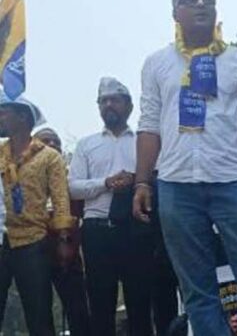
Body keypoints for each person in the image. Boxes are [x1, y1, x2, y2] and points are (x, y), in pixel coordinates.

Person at [132, 0, 237, 335]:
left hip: (233, 181)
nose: (201, 5)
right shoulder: (156, 64)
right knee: (197, 291)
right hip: (175, 185)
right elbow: (150, 124)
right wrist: (141, 182)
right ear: (175, 12)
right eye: (190, 0)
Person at [70, 77, 156, 335]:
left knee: (140, 301)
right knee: (100, 303)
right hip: (97, 229)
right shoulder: (86, 144)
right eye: (103, 101)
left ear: (129, 106)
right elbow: (72, 187)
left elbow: (159, 176)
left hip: (136, 228)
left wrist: (136, 180)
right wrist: (106, 183)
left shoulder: (144, 141)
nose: (108, 105)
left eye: (114, 100)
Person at [0, 96, 75, 336]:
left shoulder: (49, 156)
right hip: (1, 238)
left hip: (33, 241)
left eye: (4, 112)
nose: (0, 117)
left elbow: (61, 201)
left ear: (22, 117)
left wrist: (63, 240)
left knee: (39, 314)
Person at [32, 127, 91, 336]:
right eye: (45, 141)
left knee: (79, 312)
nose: (52, 145)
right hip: (34, 255)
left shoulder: (72, 179)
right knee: (39, 314)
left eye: (56, 141)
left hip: (68, 255)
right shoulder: (23, 179)